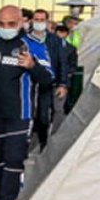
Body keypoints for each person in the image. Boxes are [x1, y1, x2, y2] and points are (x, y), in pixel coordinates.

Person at [0, 5, 53, 200]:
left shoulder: (33, 46)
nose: (6, 28)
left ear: (22, 22)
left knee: (13, 160)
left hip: (20, 114)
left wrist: (32, 66)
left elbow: (48, 77)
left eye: (12, 24)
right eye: (2, 24)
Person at [28, 9, 68, 152]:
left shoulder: (55, 41)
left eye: (41, 19)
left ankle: (43, 143)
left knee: (44, 114)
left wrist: (62, 84)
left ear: (47, 21)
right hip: (29, 83)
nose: (39, 22)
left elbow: (62, 62)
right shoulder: (25, 39)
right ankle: (27, 143)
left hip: (47, 83)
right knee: (29, 113)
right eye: (36, 19)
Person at [55, 25, 79, 115]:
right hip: (49, 80)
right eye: (59, 32)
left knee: (58, 108)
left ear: (67, 34)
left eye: (63, 32)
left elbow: (73, 64)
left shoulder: (71, 49)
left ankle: (56, 128)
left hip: (63, 81)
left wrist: (68, 73)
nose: (61, 34)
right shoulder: (48, 46)